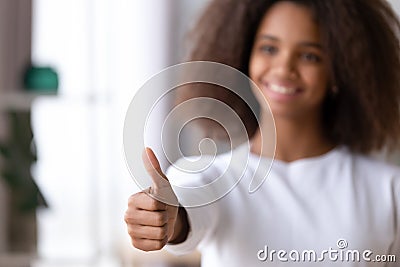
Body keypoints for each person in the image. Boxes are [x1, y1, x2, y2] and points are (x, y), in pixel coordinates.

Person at [124, 0, 400, 266]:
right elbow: (187, 206)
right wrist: (168, 218)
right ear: (245, 56)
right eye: (269, 49)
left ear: (339, 72)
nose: (283, 69)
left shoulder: (387, 188)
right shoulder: (210, 176)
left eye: (309, 56)